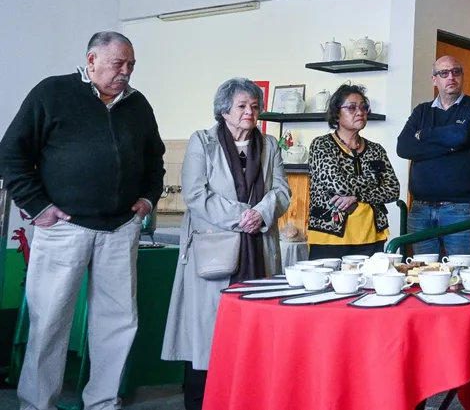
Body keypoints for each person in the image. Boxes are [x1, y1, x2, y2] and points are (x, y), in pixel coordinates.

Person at [0, 31, 165, 410]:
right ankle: (38, 404)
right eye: (117, 64)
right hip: (63, 228)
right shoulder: (52, 93)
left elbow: (154, 159)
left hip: (120, 229)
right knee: (50, 323)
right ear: (91, 61)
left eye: (131, 66)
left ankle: (103, 402)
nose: (126, 72)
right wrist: (38, 206)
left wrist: (147, 197)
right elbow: (11, 153)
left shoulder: (138, 105)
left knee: (118, 324)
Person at [161, 78, 290, 410]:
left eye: (255, 106)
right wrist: (243, 215)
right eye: (242, 106)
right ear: (224, 110)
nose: (250, 112)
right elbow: (195, 194)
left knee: (254, 329)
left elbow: (281, 191)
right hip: (213, 252)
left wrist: (262, 213)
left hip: (259, 251)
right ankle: (200, 401)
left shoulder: (270, 145)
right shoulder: (202, 142)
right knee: (205, 333)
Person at [397, 55, 470, 255]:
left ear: (462, 76)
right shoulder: (422, 111)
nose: (451, 77)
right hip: (420, 209)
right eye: (444, 73)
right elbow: (404, 147)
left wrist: (424, 134)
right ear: (434, 79)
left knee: (460, 273)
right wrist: (450, 146)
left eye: (456, 72)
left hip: (459, 209)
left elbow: (461, 135)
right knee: (424, 273)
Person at [308, 84, 400, 258]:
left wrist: (356, 196)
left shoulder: (376, 149)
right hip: (329, 237)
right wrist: (373, 182)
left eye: (364, 107)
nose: (360, 112)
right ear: (337, 113)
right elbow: (338, 184)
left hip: (372, 236)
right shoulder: (322, 145)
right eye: (351, 107)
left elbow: (393, 190)